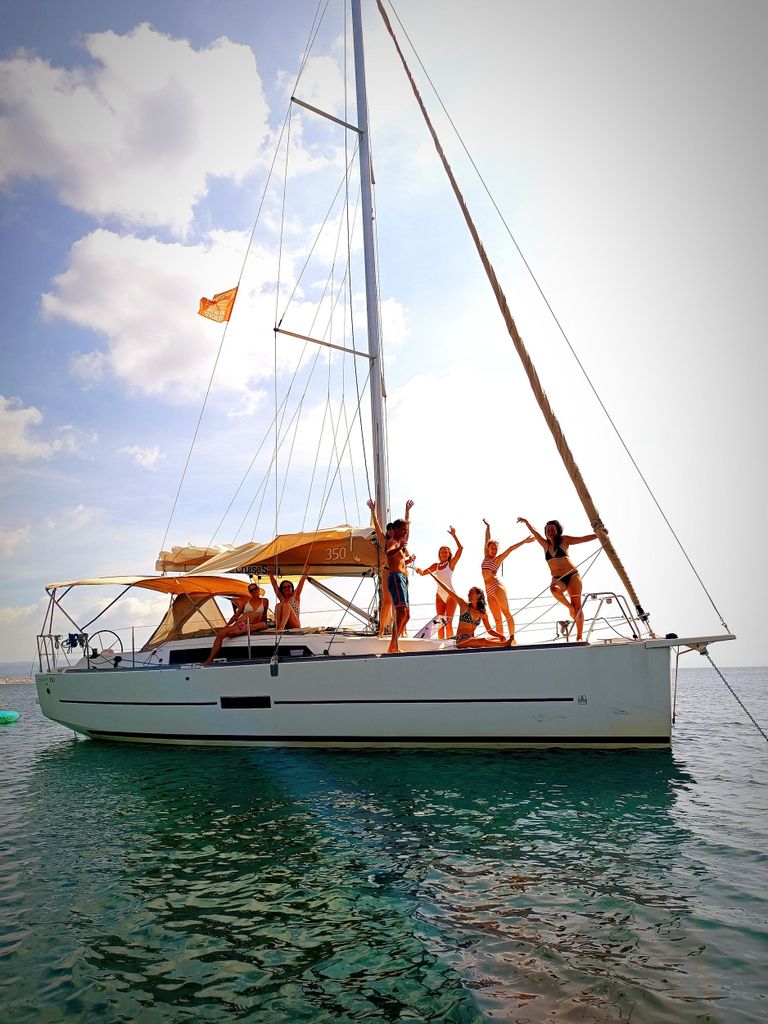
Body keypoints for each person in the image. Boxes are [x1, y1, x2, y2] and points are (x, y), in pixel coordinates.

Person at [517, 517, 601, 642]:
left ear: (558, 531)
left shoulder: (564, 540)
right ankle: (569, 608)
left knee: (577, 606)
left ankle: (579, 636)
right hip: (558, 578)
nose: (550, 532)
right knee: (554, 590)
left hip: (572, 576)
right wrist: (527, 522)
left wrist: (599, 535)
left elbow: (582, 539)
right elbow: (535, 533)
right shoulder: (545, 545)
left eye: (552, 529)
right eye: (548, 530)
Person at [368, 498, 414, 641]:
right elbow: (377, 527)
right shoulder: (385, 541)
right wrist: (373, 511)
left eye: (391, 529)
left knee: (400, 605)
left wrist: (407, 511)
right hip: (388, 570)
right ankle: (381, 631)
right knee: (387, 602)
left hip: (402, 571)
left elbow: (406, 528)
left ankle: (401, 631)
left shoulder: (400, 540)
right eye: (388, 529)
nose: (389, 531)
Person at [481, 518, 534, 641]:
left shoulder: (497, 559)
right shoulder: (485, 556)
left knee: (506, 612)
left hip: (497, 587)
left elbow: (510, 548)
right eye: (492, 548)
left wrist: (524, 541)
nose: (494, 550)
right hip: (488, 590)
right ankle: (501, 640)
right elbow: (487, 539)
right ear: (488, 548)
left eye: (496, 548)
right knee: (497, 618)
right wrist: (488, 527)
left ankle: (512, 637)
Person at [430, 578, 512, 649]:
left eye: (471, 593)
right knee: (483, 641)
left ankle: (503, 642)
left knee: (496, 639)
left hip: (471, 639)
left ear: (478, 595)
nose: (468, 595)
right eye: (469, 593)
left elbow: (489, 630)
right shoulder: (464, 606)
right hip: (461, 640)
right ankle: (504, 645)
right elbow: (449, 591)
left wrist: (501, 636)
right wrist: (437, 580)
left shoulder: (482, 613)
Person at [202, 584, 268, 665]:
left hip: (252, 625)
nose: (254, 591)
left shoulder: (264, 601)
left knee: (263, 624)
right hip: (240, 624)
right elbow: (236, 615)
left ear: (258, 589)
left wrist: (266, 625)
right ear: (249, 592)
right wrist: (226, 626)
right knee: (220, 634)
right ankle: (210, 659)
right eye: (251, 590)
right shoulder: (246, 601)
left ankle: (237, 633)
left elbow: (264, 615)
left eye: (255, 589)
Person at [416, 527, 463, 638]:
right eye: (442, 552)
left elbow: (460, 549)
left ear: (449, 554)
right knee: (440, 622)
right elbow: (423, 572)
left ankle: (450, 643)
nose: (444, 554)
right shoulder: (435, 565)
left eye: (446, 552)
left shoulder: (450, 564)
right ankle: (440, 644)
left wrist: (454, 535)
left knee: (448, 622)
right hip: (439, 595)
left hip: (451, 595)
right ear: (439, 554)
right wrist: (419, 571)